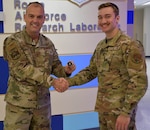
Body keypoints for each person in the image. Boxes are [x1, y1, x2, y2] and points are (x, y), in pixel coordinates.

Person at [64, 2, 148, 130]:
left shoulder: (130, 46)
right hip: (104, 110)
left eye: (107, 16)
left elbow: (139, 82)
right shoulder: (101, 46)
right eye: (100, 17)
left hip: (120, 113)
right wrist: (68, 82)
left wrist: (126, 112)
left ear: (117, 18)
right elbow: (91, 71)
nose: (103, 21)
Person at [3, 2, 75, 130]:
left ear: (44, 19)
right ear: (25, 17)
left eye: (39, 17)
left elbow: (55, 66)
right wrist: (52, 81)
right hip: (19, 106)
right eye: (31, 16)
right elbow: (23, 69)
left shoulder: (47, 43)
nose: (35, 20)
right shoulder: (13, 41)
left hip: (42, 107)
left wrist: (66, 71)